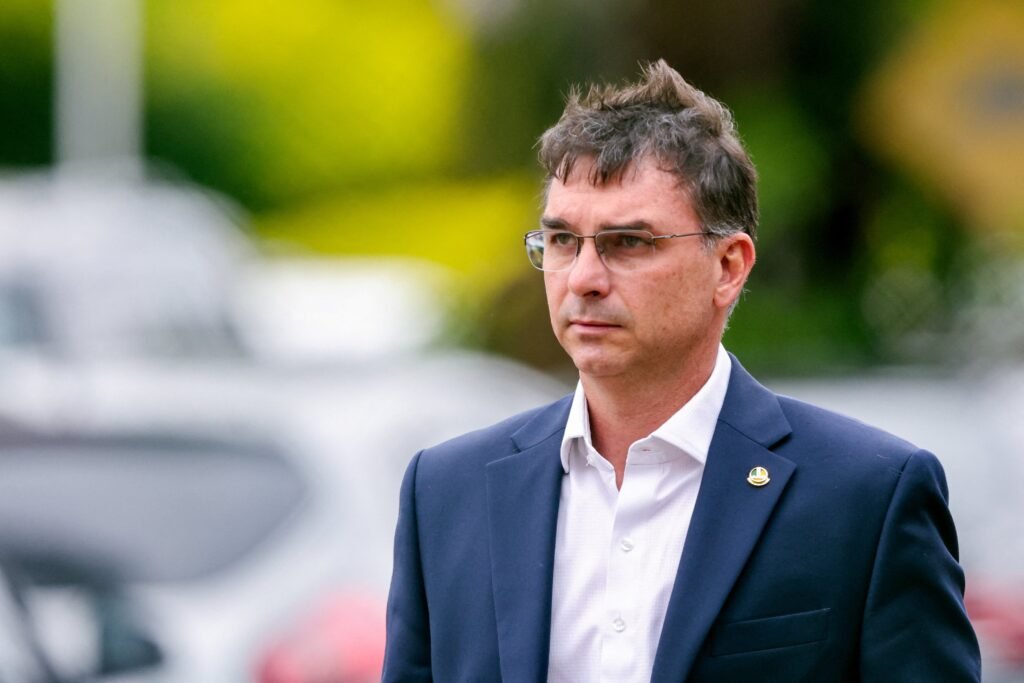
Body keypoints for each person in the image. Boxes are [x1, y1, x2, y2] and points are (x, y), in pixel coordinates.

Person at [383, 60, 981, 682]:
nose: (583, 279)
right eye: (562, 241)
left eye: (628, 243)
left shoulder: (867, 496)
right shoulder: (446, 492)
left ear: (728, 267)